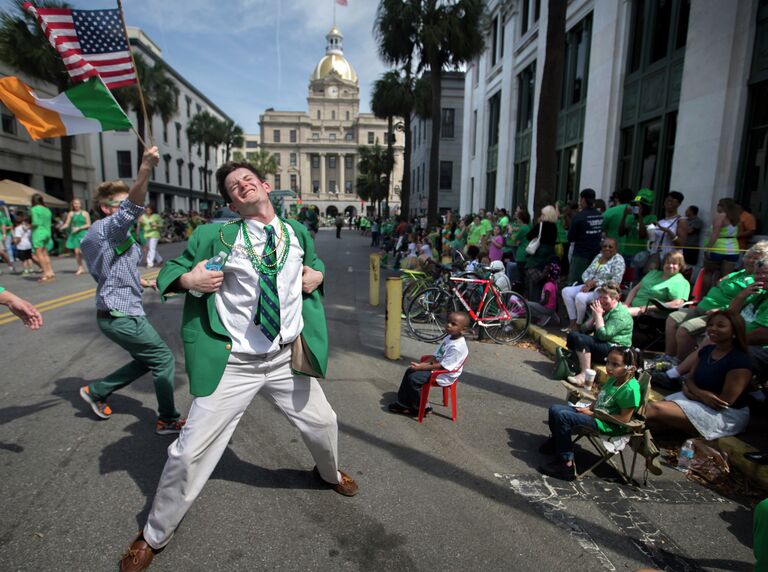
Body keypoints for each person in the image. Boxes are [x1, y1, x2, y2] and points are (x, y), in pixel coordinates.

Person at [118, 160, 358, 571]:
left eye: (248, 179)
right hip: (234, 362)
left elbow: (314, 266)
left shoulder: (296, 233)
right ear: (231, 200)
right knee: (188, 452)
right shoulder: (216, 234)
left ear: (265, 185)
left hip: (284, 358)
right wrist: (189, 281)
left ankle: (329, 473)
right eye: (233, 186)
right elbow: (172, 271)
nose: (242, 186)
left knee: (323, 423)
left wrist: (317, 275)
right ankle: (155, 533)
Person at [79, 147, 184, 434]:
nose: (128, 208)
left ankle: (97, 391)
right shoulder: (107, 230)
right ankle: (168, 419)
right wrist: (146, 168)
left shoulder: (112, 235)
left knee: (145, 359)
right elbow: (131, 208)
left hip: (116, 311)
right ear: (105, 208)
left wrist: (143, 282)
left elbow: (111, 271)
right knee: (162, 358)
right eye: (119, 203)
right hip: (121, 314)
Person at [539, 346, 642, 481]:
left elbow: (623, 419)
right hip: (597, 415)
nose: (609, 367)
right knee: (555, 409)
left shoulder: (630, 390)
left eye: (615, 364)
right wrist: (589, 408)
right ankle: (558, 442)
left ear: (631, 368)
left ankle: (566, 465)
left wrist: (592, 414)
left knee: (562, 416)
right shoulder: (614, 378)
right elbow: (601, 398)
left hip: (608, 425)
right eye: (608, 362)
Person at [646, 310, 752, 440]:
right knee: (650, 423)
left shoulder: (740, 361)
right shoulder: (707, 351)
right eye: (711, 325)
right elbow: (690, 379)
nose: (713, 328)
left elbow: (723, 402)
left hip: (724, 414)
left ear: (735, 331)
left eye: (720, 326)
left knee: (654, 409)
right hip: (696, 399)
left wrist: (692, 392)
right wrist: (698, 393)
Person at [661, 242, 768, 365]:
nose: (750, 260)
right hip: (702, 306)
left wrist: (721, 311)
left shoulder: (757, 281)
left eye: (755, 258)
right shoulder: (739, 273)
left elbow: (745, 305)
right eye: (749, 256)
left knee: (685, 329)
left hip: (718, 314)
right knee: (672, 318)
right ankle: (669, 358)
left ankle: (681, 364)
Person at [388, 311, 470, 415]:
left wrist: (421, 368)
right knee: (410, 370)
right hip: (438, 367)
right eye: (448, 322)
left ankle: (422, 407)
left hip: (444, 374)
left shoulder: (457, 347)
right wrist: (420, 365)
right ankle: (403, 403)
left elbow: (442, 366)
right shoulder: (448, 338)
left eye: (453, 324)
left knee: (414, 378)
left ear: (463, 330)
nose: (448, 325)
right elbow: (436, 356)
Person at [566, 283, 633, 386]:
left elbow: (603, 335)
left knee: (581, 340)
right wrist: (594, 317)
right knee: (573, 335)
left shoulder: (620, 314)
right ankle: (576, 364)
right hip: (604, 344)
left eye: (605, 298)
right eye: (600, 297)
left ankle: (585, 375)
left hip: (616, 349)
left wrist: (598, 316)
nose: (601, 300)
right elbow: (584, 329)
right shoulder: (605, 309)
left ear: (616, 298)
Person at [561, 238, 625, 331]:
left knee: (580, 297)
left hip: (603, 291)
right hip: (589, 286)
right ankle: (572, 322)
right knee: (566, 291)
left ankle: (578, 325)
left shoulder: (618, 260)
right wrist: (587, 282)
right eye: (604, 246)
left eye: (610, 247)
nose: (607, 248)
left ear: (615, 249)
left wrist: (596, 284)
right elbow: (585, 273)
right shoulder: (599, 256)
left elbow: (616, 281)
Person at [623, 251, 690, 318]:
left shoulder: (680, 282)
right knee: (614, 308)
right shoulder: (653, 273)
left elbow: (677, 303)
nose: (670, 266)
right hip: (631, 306)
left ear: (680, 266)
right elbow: (635, 289)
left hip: (649, 311)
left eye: (674, 263)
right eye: (668, 263)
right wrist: (626, 304)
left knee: (619, 314)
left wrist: (650, 308)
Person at [700, 198, 741, 296]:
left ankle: (704, 297)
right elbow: (738, 233)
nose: (717, 206)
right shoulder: (736, 218)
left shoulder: (720, 216)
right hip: (733, 250)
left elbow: (715, 234)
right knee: (726, 277)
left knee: (708, 273)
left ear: (723, 206)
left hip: (718, 248)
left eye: (719, 204)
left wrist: (708, 248)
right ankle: (721, 298)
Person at [567, 188, 604, 284]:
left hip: (581, 256)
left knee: (576, 283)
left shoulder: (579, 217)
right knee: (592, 282)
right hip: (596, 255)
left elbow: (571, 238)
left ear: (583, 200)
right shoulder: (600, 215)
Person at [646, 191, 688, 273]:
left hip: (671, 256)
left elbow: (681, 244)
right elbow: (652, 240)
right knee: (650, 275)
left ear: (678, 204)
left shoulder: (681, 221)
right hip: (656, 254)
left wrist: (669, 232)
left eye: (672, 201)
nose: (669, 203)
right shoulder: (660, 221)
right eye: (667, 200)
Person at [619, 188, 657, 277]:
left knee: (634, 280)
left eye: (639, 206)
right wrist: (624, 216)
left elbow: (642, 235)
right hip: (626, 254)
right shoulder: (632, 219)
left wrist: (640, 216)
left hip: (639, 256)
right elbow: (621, 233)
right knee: (624, 279)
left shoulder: (651, 218)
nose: (635, 207)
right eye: (635, 205)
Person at [525, 205, 559, 300]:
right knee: (544, 282)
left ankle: (534, 305)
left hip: (538, 257)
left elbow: (528, 236)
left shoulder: (541, 225)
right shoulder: (554, 227)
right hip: (549, 258)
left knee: (534, 283)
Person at [62, 198, 91, 275]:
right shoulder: (71, 213)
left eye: (78, 203)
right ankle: (80, 268)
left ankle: (93, 265)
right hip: (75, 234)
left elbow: (88, 224)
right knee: (77, 252)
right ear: (72, 205)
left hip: (83, 233)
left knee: (84, 251)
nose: (76, 205)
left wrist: (79, 228)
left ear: (81, 204)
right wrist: (62, 227)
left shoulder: (85, 213)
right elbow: (67, 224)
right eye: (75, 203)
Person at [527, 262, 561, 327]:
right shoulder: (554, 284)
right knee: (534, 304)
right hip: (552, 309)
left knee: (528, 304)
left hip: (547, 309)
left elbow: (545, 301)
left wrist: (538, 304)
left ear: (549, 274)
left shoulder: (548, 285)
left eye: (546, 270)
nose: (544, 271)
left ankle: (541, 317)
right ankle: (551, 316)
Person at [30, 193, 54, 282]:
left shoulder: (34, 209)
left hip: (38, 233)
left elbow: (35, 223)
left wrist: (29, 226)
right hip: (47, 232)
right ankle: (50, 271)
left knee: (39, 254)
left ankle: (45, 273)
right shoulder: (47, 210)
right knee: (45, 253)